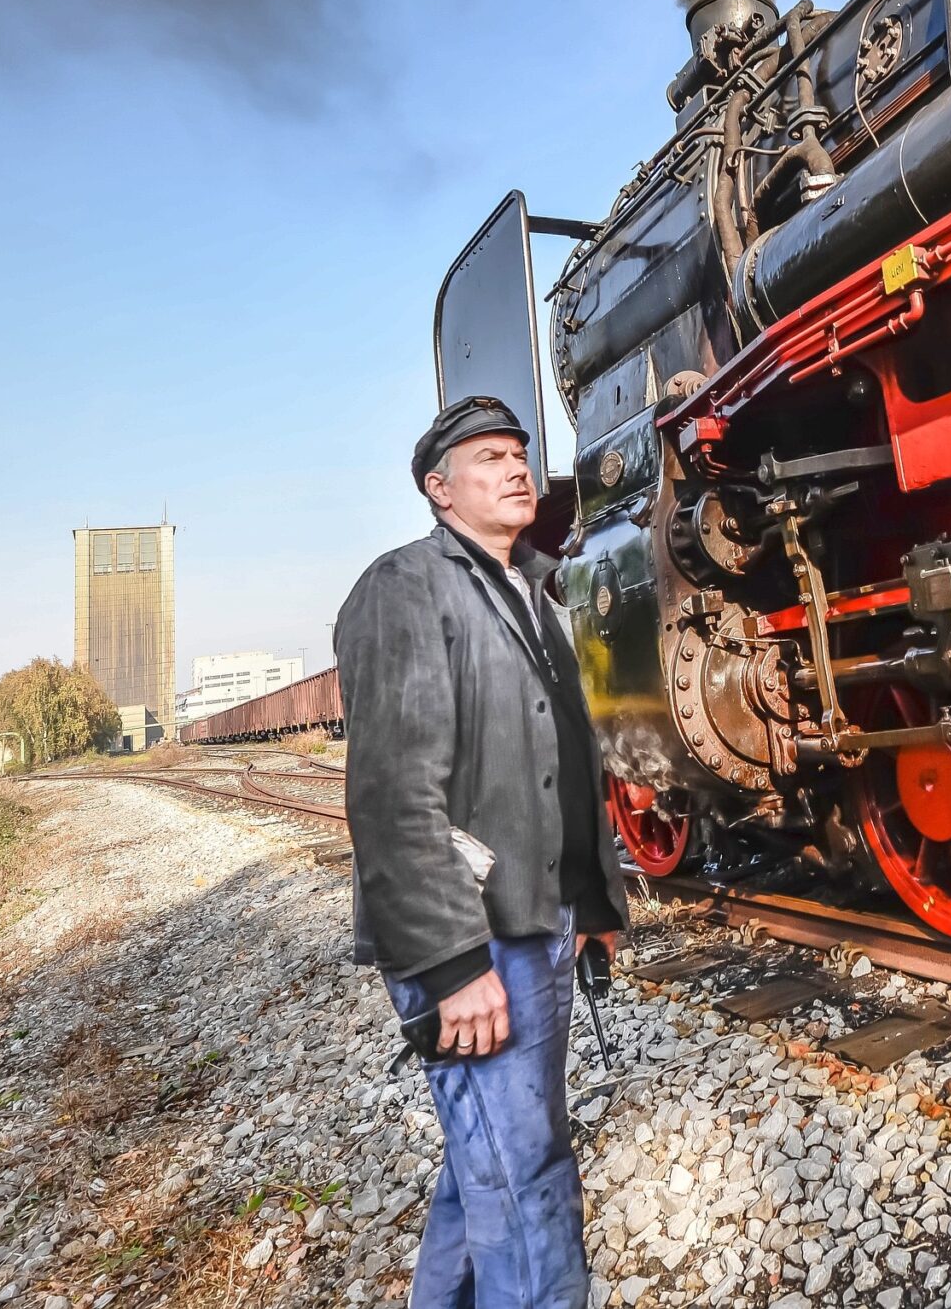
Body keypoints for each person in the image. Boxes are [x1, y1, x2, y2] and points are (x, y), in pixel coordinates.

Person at [336, 394, 628, 1309]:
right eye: (490, 457)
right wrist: (455, 963)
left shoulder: (534, 594)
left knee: (485, 1168)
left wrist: (593, 909)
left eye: (520, 453)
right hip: (471, 939)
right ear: (439, 488)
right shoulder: (408, 587)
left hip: (541, 923)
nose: (516, 468)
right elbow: (392, 794)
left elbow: (559, 768)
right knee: (527, 1172)